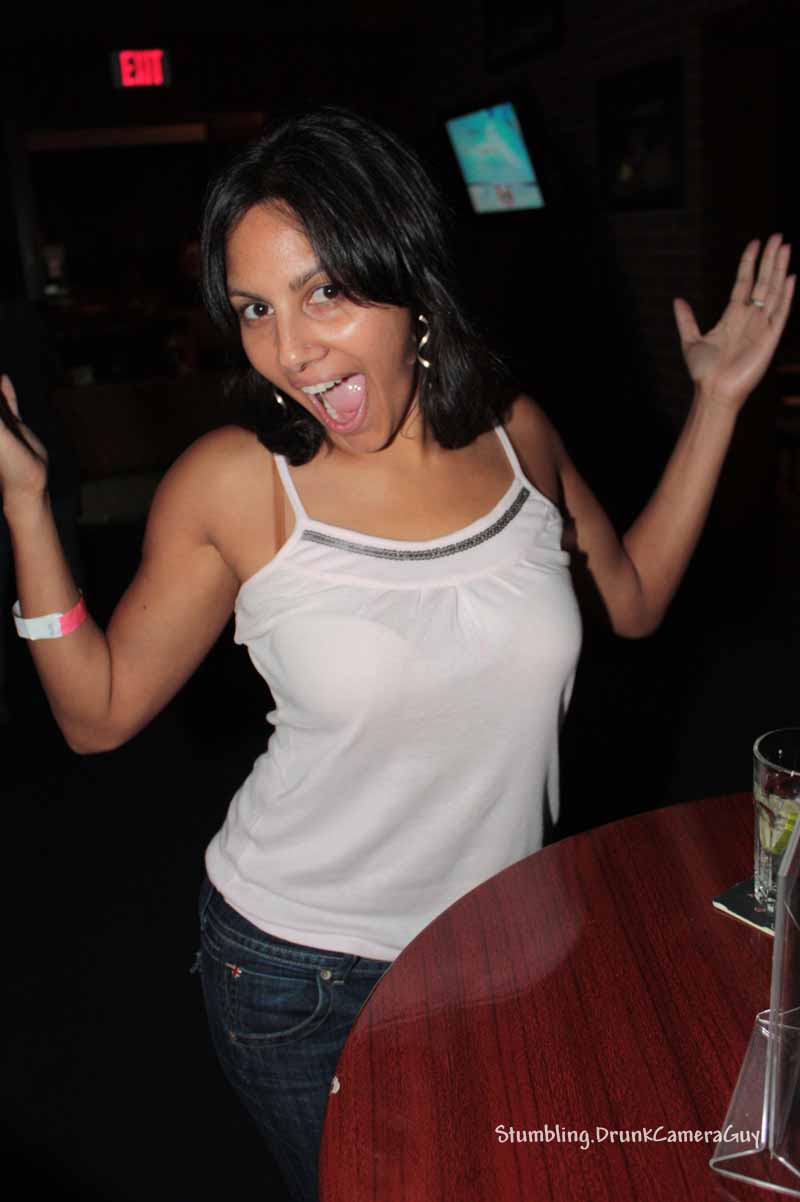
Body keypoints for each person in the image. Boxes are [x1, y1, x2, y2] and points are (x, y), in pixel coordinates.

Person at [0, 108, 793, 1202]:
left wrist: (716, 403)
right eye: (255, 308)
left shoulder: (515, 434)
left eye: (325, 291)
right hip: (302, 972)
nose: (290, 350)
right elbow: (97, 714)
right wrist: (25, 505)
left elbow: (636, 599)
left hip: (510, 936)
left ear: (409, 276)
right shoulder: (235, 483)